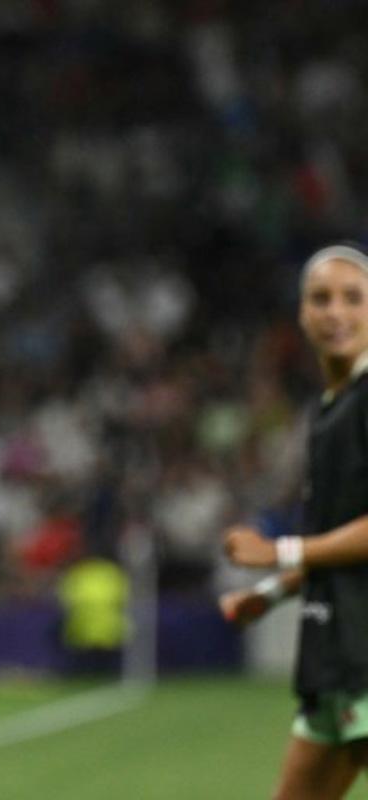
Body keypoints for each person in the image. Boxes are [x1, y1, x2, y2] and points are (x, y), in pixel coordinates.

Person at [223, 243, 368, 800]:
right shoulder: (332, 409)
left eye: (352, 298)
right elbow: (340, 541)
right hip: (335, 652)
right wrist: (272, 591)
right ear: (302, 315)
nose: (335, 312)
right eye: (321, 299)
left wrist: (281, 553)